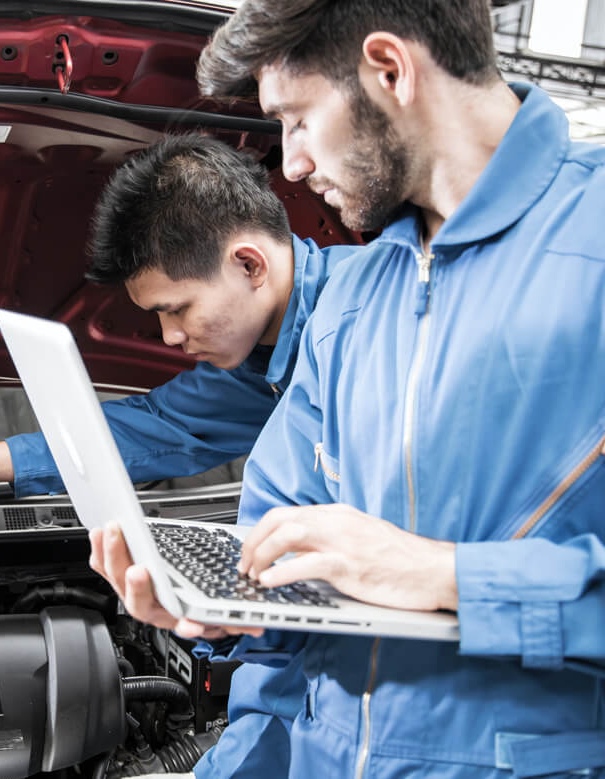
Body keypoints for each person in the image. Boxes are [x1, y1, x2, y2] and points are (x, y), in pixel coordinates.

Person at [91, 1, 605, 776]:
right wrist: (224, 610)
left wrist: (445, 577)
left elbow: (411, 574)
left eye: (295, 119)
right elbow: (283, 620)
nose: (289, 163)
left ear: (390, 69)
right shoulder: (354, 301)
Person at [0, 132, 357, 777]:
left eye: (176, 309)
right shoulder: (262, 358)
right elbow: (155, 427)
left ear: (249, 265)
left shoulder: (366, 330)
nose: (170, 336)